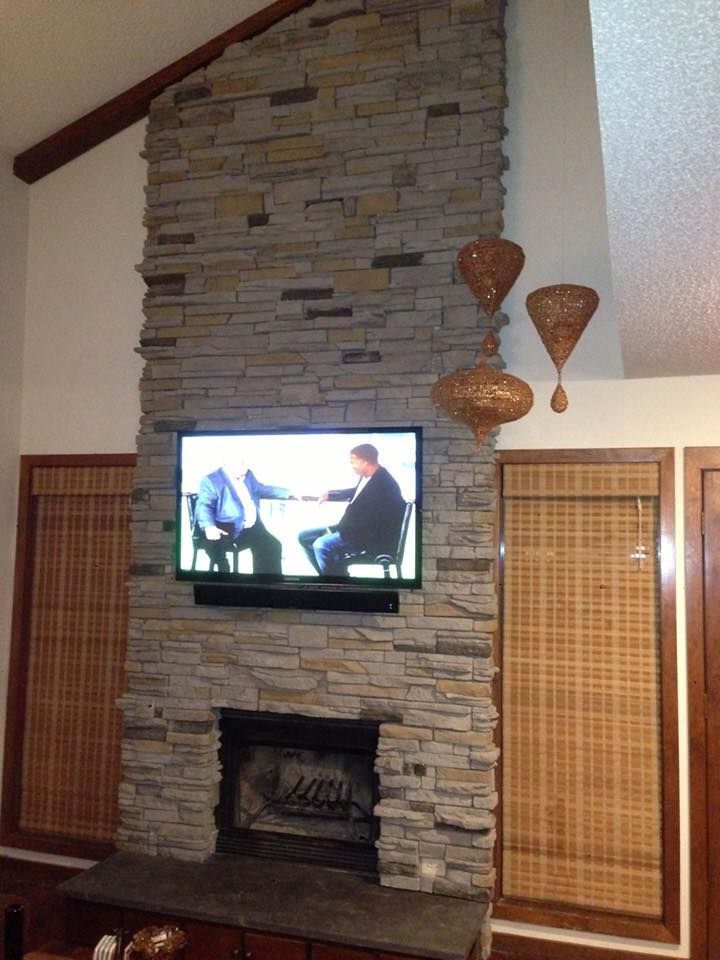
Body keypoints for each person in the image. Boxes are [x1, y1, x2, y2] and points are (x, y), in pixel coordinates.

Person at [298, 443, 406, 576]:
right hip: (355, 530)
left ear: (365, 462)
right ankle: (333, 575)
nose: (351, 465)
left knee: (322, 545)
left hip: (369, 538)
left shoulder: (384, 485)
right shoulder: (371, 476)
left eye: (353, 461)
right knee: (303, 536)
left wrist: (333, 531)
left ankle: (334, 582)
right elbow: (357, 492)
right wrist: (331, 494)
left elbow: (369, 523)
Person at [194, 455, 294, 575]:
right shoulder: (211, 480)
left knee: (272, 545)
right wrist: (209, 527)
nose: (246, 467)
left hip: (252, 529)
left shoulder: (248, 475)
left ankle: (264, 583)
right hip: (227, 529)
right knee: (215, 549)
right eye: (242, 463)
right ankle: (225, 576)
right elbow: (204, 506)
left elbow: (260, 489)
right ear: (227, 464)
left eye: (246, 463)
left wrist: (289, 493)